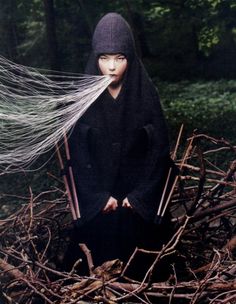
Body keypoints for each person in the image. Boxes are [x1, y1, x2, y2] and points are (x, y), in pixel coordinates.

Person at [64, 12, 175, 278]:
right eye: (104, 58)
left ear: (130, 58)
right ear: (95, 59)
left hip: (138, 209)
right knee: (90, 270)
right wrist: (99, 199)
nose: (112, 67)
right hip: (98, 208)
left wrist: (138, 198)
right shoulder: (83, 100)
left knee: (146, 272)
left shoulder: (146, 94)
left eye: (119, 58)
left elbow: (159, 153)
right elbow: (76, 156)